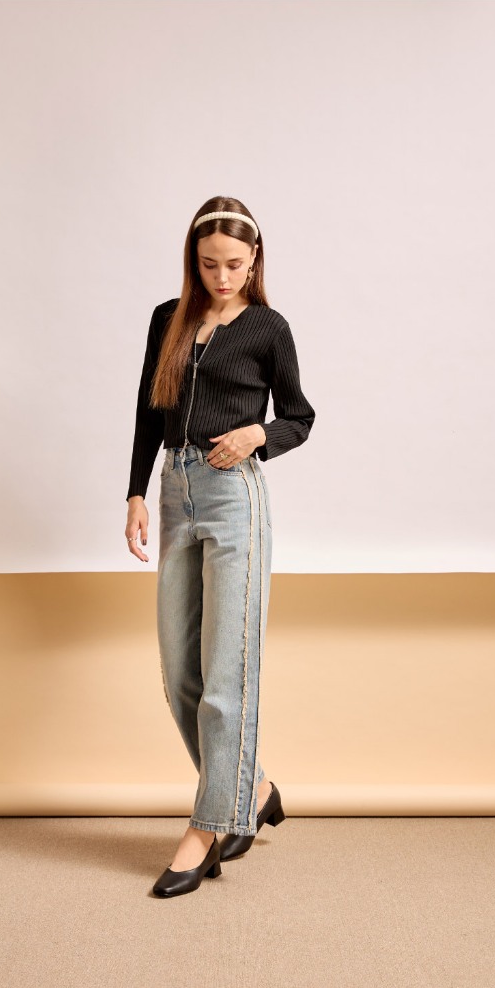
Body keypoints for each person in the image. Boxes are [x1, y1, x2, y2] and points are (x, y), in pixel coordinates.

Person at [125, 198, 316, 897]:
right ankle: (252, 788)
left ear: (255, 259)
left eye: (235, 264)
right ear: (193, 261)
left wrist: (259, 434)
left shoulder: (269, 328)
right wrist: (136, 492)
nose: (223, 276)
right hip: (176, 491)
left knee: (226, 672)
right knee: (182, 672)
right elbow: (150, 409)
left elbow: (300, 416)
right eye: (209, 265)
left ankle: (205, 831)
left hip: (236, 496)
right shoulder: (167, 319)